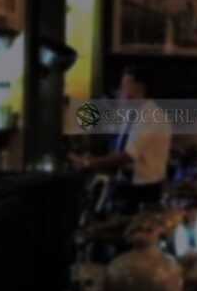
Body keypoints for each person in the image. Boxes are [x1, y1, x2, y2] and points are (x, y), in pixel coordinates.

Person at [72, 65, 172, 214]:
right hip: (127, 186)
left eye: (124, 85)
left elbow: (128, 156)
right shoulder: (130, 114)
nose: (120, 91)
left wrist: (90, 163)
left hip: (145, 190)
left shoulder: (152, 116)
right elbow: (119, 149)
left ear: (139, 88)